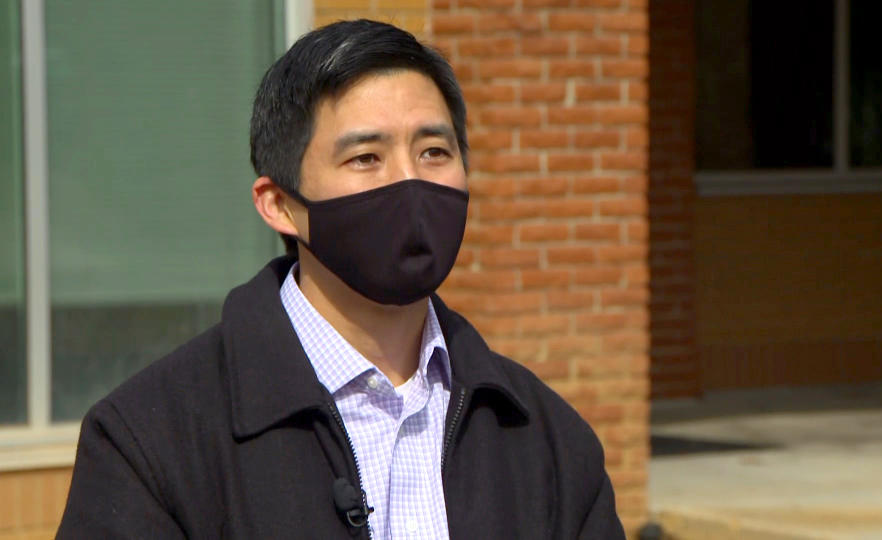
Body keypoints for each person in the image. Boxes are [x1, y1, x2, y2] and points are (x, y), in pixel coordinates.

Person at [57, 19, 624, 539]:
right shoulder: (150, 442)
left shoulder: (546, 438)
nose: (409, 183)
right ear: (279, 204)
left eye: (433, 152)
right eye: (366, 159)